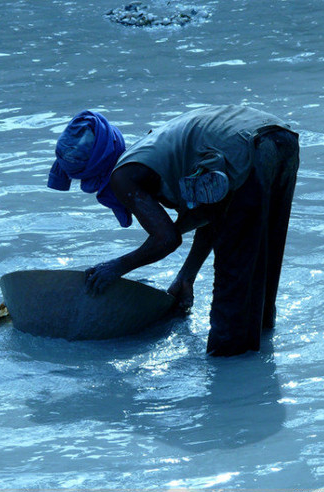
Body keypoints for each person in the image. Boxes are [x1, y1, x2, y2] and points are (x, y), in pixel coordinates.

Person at [47, 104, 300, 356]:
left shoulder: (122, 176)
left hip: (248, 150)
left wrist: (117, 267)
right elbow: (212, 213)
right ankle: (262, 370)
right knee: (263, 269)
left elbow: (166, 238)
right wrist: (186, 276)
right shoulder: (154, 150)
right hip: (279, 139)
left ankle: (228, 381)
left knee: (231, 301)